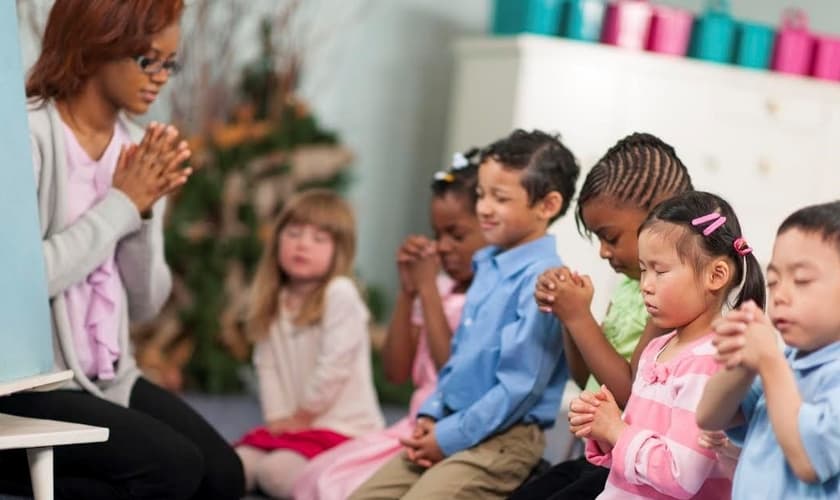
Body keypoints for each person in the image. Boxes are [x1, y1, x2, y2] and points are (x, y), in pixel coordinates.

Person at [349, 129, 580, 499]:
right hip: (452, 419)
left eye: (500, 198)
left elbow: (518, 389)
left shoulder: (545, 280)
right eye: (481, 195)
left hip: (504, 438)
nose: (484, 208)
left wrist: (448, 436)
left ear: (547, 206)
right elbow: (458, 362)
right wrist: (433, 413)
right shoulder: (486, 264)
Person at [293, 150, 486, 500]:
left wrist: (426, 290)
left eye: (456, 236)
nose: (442, 247)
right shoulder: (439, 288)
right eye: (436, 234)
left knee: (342, 491)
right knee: (316, 479)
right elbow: (396, 372)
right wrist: (409, 291)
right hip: (411, 425)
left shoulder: (484, 301)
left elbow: (454, 376)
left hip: (450, 432)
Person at [512, 132, 693, 499]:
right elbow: (587, 381)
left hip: (631, 465)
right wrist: (568, 314)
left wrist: (579, 317)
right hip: (595, 451)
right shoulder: (629, 286)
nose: (603, 252)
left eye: (610, 237)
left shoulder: (668, 300)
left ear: (660, 218)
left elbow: (631, 392)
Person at [571, 191, 764, 498]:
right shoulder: (656, 348)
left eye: (660, 271)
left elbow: (680, 475)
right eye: (643, 269)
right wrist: (602, 425)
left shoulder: (711, 360)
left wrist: (615, 430)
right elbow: (637, 454)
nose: (646, 285)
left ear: (716, 275)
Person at [236, 189, 384, 498]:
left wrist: (302, 416)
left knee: (275, 474)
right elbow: (267, 365)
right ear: (277, 240)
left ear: (339, 251)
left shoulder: (339, 293)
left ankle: (350, 481)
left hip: (340, 428)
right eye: (294, 233)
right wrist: (278, 418)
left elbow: (334, 367)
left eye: (319, 239)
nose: (303, 244)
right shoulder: (274, 299)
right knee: (234, 467)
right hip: (293, 426)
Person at [697, 201, 840, 498]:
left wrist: (769, 361)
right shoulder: (787, 362)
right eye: (774, 281)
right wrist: (742, 364)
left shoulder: (789, 367)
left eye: (801, 280)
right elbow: (710, 416)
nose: (781, 296)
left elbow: (809, 461)